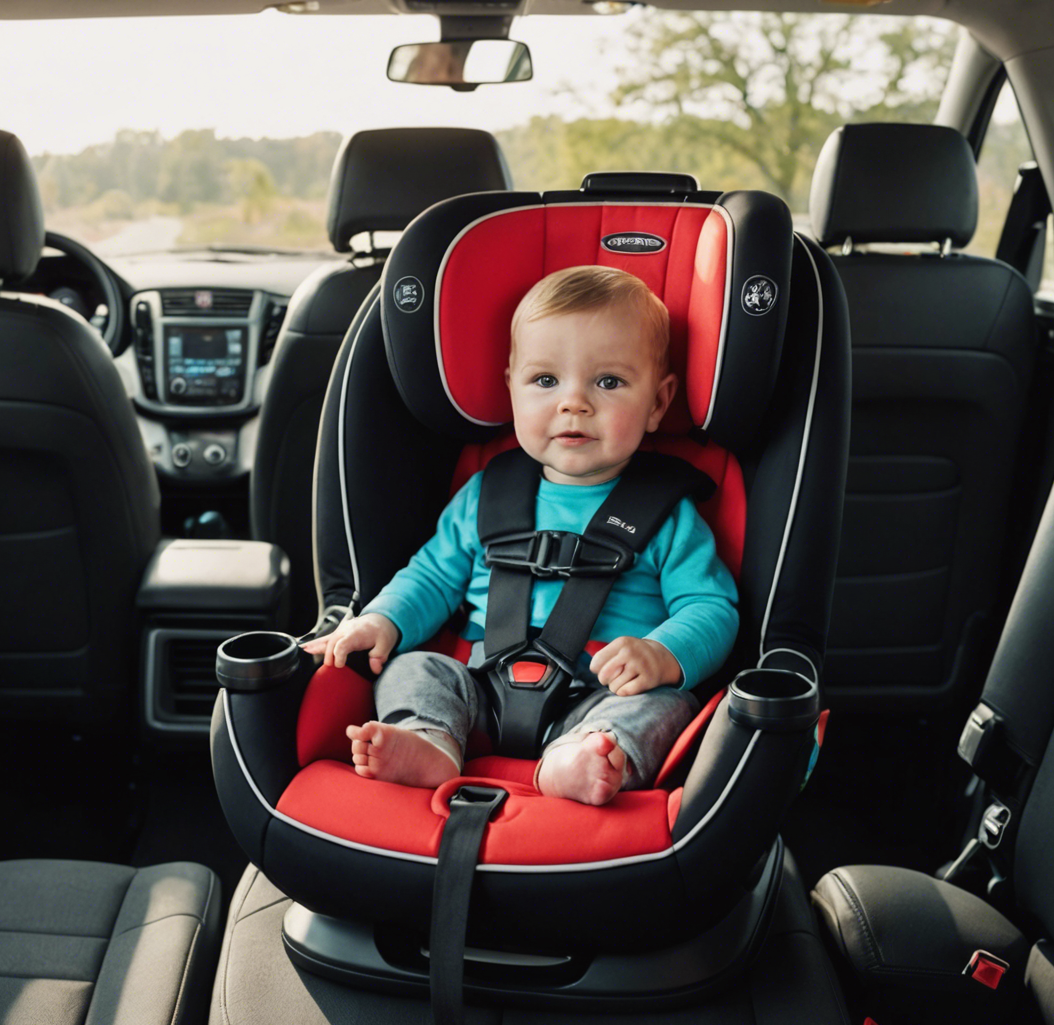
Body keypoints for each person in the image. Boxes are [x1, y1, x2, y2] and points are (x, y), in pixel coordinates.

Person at [302, 265, 739, 805]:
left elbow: (712, 607)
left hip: (602, 694)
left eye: (609, 382)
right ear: (511, 387)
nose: (573, 402)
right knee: (413, 668)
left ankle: (581, 759)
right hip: (479, 689)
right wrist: (382, 620)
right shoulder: (488, 494)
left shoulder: (668, 515)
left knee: (667, 704)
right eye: (545, 381)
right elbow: (433, 576)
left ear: (657, 402)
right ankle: (430, 740)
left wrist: (663, 653)